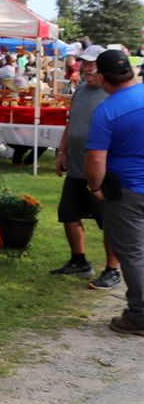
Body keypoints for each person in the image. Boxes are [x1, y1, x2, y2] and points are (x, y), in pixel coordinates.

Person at [51, 45, 121, 287]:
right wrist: (62, 151)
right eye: (84, 63)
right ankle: (79, 261)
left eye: (93, 64)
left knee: (109, 221)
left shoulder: (112, 93)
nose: (87, 68)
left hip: (102, 170)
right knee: (68, 214)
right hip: (77, 168)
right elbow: (71, 124)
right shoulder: (79, 90)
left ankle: (113, 269)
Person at [85, 49, 144, 335]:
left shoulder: (108, 110)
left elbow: (96, 158)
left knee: (132, 252)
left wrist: (95, 187)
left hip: (128, 189)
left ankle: (140, 315)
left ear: (104, 78)